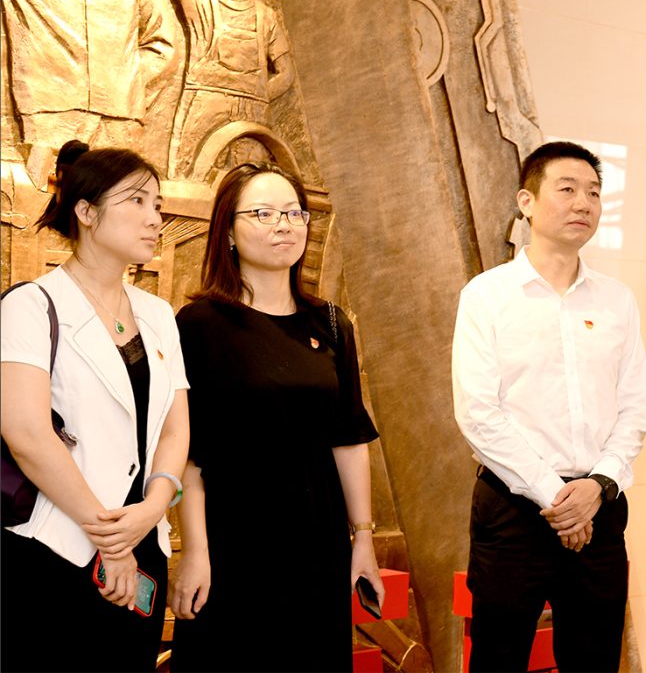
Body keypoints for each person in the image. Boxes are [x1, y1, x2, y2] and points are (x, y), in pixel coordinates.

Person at [168, 162, 384, 672]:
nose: (284, 225)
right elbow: (190, 456)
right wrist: (195, 550)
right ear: (227, 232)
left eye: (293, 213)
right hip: (233, 541)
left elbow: (348, 438)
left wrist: (363, 538)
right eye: (263, 213)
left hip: (317, 542)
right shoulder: (199, 325)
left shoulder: (331, 324)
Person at [451, 141, 646, 672]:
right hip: (513, 509)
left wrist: (598, 485)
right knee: (498, 657)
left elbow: (635, 405)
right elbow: (478, 413)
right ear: (527, 202)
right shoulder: (487, 295)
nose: (583, 203)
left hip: (599, 508)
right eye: (567, 189)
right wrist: (556, 498)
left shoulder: (616, 300)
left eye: (594, 192)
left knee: (595, 659)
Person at [0, 142, 190, 672]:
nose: (155, 219)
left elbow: (175, 429)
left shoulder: (159, 314)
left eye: (158, 204)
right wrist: (110, 540)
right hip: (57, 544)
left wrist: (153, 508)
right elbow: (27, 434)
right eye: (137, 201)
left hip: (143, 538)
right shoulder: (31, 306)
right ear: (86, 211)